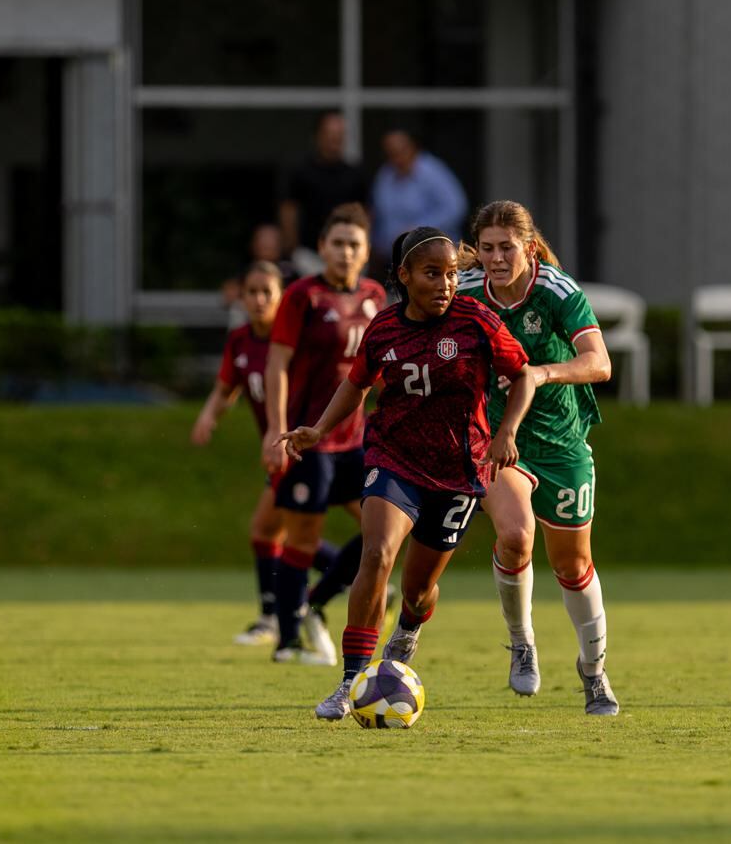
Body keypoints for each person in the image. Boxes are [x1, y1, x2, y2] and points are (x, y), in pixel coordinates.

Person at [278, 227, 536, 720]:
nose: (445, 284)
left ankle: (410, 627)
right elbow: (356, 385)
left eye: (453, 274)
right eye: (433, 274)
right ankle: (352, 681)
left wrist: (506, 433)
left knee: (418, 591)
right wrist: (318, 429)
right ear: (404, 276)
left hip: (460, 467)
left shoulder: (476, 320)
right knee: (375, 554)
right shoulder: (383, 329)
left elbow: (522, 373)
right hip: (393, 457)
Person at [456, 200, 620, 716]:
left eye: (507, 247)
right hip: (499, 440)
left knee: (573, 564)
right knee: (515, 533)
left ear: (529, 247)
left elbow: (599, 363)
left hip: (561, 440)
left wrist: (544, 372)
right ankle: (521, 641)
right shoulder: (464, 294)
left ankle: (594, 673)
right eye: (487, 248)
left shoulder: (555, 290)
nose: (497, 258)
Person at [260, 203, 388, 666]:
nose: (345, 252)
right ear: (321, 248)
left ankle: (318, 599)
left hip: (359, 440)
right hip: (308, 439)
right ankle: (288, 639)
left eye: (354, 244)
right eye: (337, 243)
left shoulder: (377, 297)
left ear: (366, 250)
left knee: (383, 532)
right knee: (301, 536)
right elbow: (276, 364)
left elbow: (384, 368)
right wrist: (275, 428)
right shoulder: (302, 296)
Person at [191, 262, 287, 644]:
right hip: (279, 452)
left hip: (307, 447)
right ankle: (277, 616)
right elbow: (227, 387)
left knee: (271, 531)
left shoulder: (294, 339)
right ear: (242, 296)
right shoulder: (241, 340)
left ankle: (282, 615)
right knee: (272, 532)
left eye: (268, 291)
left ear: (282, 295)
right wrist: (207, 416)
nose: (260, 299)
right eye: (253, 291)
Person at [280, 111, 371, 276]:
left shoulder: (356, 174)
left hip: (348, 257)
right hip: (309, 257)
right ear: (318, 136)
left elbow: (365, 214)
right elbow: (289, 210)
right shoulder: (301, 172)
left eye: (339, 134)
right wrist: (291, 248)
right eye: (330, 134)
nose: (334, 139)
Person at [370, 130, 467, 266]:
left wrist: (419, 229)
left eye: (400, 151)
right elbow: (380, 216)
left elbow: (455, 207)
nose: (397, 158)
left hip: (437, 256)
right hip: (395, 259)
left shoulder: (433, 171)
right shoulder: (385, 175)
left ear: (413, 148)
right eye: (391, 153)